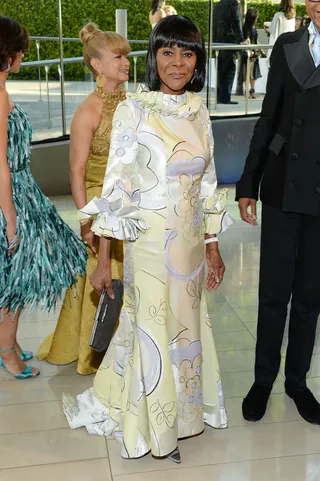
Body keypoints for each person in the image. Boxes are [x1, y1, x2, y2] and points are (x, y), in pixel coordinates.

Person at [63, 15, 234, 464]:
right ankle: (156, 429)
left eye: (188, 52)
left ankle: (184, 415)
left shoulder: (198, 108)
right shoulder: (132, 109)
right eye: (167, 51)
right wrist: (103, 260)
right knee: (154, 334)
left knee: (186, 330)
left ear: (198, 60)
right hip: (151, 243)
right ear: (153, 57)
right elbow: (116, 191)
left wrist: (213, 246)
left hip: (191, 245)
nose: (177, 62)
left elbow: (210, 184)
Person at [236, 0, 320, 426]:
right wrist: (248, 183)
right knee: (273, 293)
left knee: (310, 297)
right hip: (283, 190)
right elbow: (269, 117)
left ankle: (298, 382)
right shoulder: (288, 44)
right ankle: (263, 379)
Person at [37, 24, 130, 375]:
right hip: (99, 203)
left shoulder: (132, 103)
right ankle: (95, 351)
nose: (126, 61)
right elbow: (76, 171)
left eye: (126, 55)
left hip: (130, 203)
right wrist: (86, 221)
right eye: (118, 56)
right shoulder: (88, 111)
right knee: (103, 277)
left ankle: (127, 347)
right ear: (96, 64)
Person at [0, 16, 87, 380]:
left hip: (22, 190)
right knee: (17, 279)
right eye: (22, 48)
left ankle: (8, 342)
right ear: (11, 53)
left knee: (13, 278)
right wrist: (11, 220)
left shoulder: (1, 90)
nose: (24, 55)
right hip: (12, 196)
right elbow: (0, 166)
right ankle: (6, 351)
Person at [213, 0, 247, 104]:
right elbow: (236, 21)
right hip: (229, 40)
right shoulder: (233, 3)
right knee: (229, 68)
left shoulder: (218, 5)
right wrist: (241, 39)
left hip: (218, 41)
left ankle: (220, 97)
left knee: (221, 69)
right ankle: (225, 97)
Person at [237, 8, 261, 98]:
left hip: (253, 52)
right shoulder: (246, 27)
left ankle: (251, 90)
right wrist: (251, 50)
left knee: (252, 73)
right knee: (247, 73)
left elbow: (254, 40)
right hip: (249, 53)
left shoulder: (252, 27)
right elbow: (247, 40)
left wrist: (258, 49)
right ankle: (247, 91)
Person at [267, 0, 295, 68]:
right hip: (289, 49)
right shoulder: (293, 17)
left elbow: (273, 32)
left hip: (279, 49)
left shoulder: (278, 15)